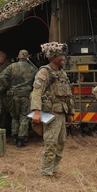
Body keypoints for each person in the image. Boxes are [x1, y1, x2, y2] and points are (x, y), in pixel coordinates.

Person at [30, 42, 74, 177]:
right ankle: (46, 172)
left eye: (63, 55)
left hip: (62, 113)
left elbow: (68, 94)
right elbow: (36, 92)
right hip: (50, 114)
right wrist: (36, 112)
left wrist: (71, 113)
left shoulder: (62, 73)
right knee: (50, 143)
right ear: (53, 56)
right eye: (60, 55)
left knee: (61, 143)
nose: (63, 58)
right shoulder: (44, 72)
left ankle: (54, 170)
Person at [0, 49, 37, 147]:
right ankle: (21, 138)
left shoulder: (12, 66)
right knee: (24, 116)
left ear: (18, 56)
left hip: (13, 95)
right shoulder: (32, 68)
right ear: (27, 57)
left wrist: (8, 86)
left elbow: (1, 77)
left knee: (14, 116)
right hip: (26, 95)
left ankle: (14, 136)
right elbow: (37, 80)